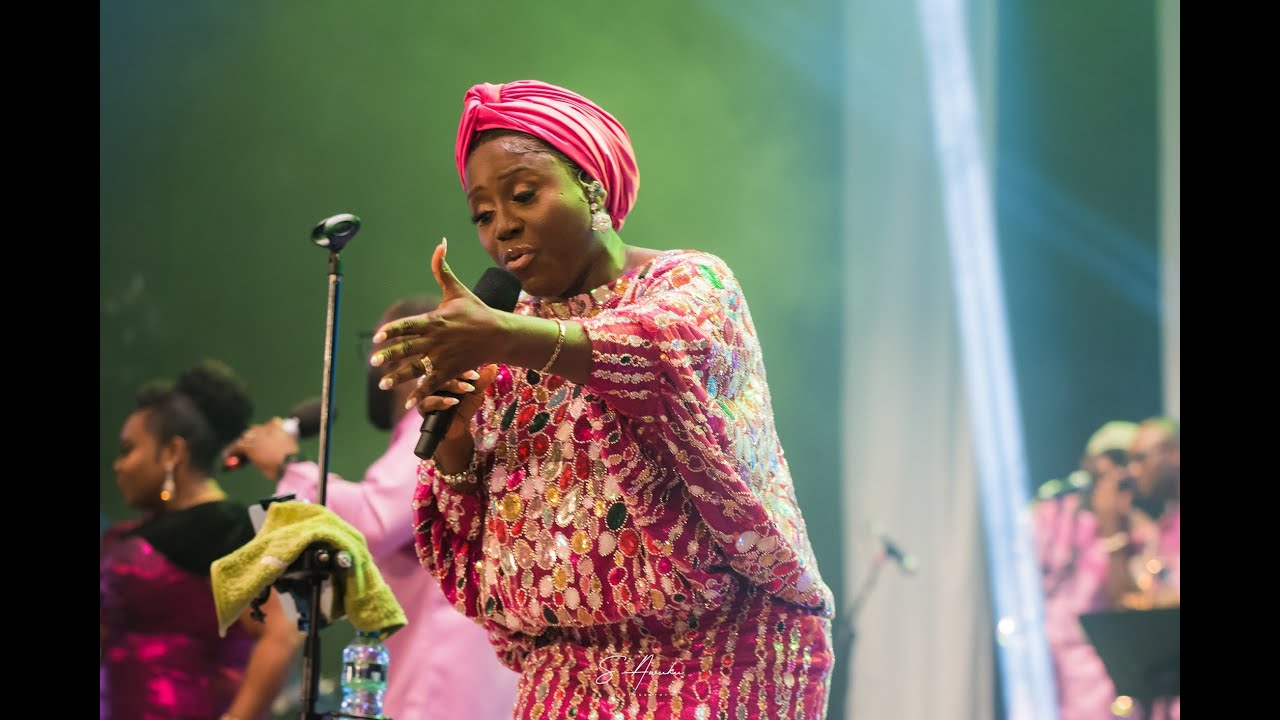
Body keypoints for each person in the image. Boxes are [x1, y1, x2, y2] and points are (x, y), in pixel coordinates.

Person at [368, 79, 836, 719]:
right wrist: (453, 441)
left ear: (591, 187)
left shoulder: (690, 283)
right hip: (566, 664)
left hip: (715, 652)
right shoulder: (508, 335)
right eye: (482, 214)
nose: (503, 226)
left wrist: (504, 336)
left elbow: (657, 357)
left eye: (523, 195)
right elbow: (473, 539)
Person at [225, 295, 519, 720]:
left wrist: (288, 466)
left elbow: (374, 521)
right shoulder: (447, 425)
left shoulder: (437, 424)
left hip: (439, 679)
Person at [101, 359, 303, 720]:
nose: (119, 465)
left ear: (172, 452)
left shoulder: (229, 528)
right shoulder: (130, 534)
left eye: (128, 449)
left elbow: (282, 633)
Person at [1032, 420, 1144, 720]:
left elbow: (1129, 603)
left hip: (1099, 675)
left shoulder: (1138, 531)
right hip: (1046, 665)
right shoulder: (1050, 515)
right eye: (1114, 457)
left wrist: (1111, 526)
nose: (1120, 470)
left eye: (1129, 461)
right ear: (1088, 462)